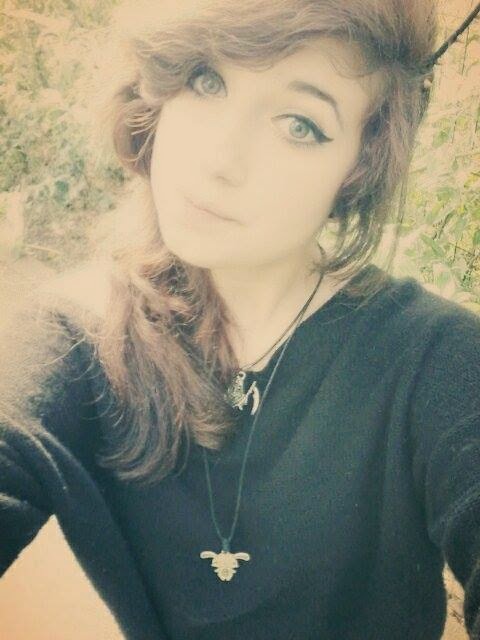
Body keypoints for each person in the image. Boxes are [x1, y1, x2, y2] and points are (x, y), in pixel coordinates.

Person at [1, 0, 480, 638]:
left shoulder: (435, 359)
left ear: (357, 169)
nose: (221, 159)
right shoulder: (71, 338)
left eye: (299, 124)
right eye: (207, 80)